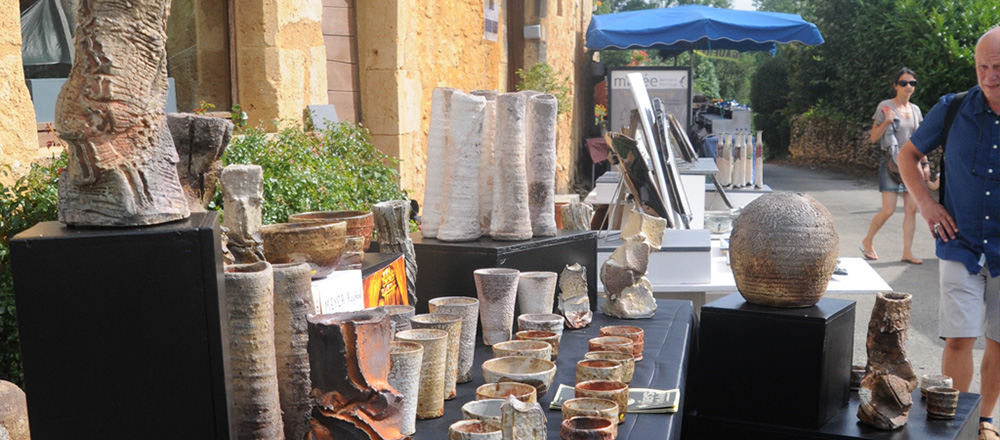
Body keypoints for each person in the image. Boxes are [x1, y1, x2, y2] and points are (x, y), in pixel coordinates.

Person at [898, 27, 1000, 440]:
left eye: (998, 67)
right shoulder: (953, 107)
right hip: (960, 244)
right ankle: (953, 425)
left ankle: (986, 420)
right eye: (982, 67)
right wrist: (926, 203)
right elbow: (908, 156)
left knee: (999, 341)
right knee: (959, 338)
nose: (990, 75)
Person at [860, 68, 925, 264]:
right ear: (895, 86)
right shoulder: (885, 107)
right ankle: (868, 240)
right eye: (904, 83)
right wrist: (886, 121)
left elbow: (919, 141)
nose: (908, 87)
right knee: (888, 210)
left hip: (911, 164)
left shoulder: (915, 110)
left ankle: (907, 252)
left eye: (912, 83)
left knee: (911, 210)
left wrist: (925, 163)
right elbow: (873, 137)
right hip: (891, 163)